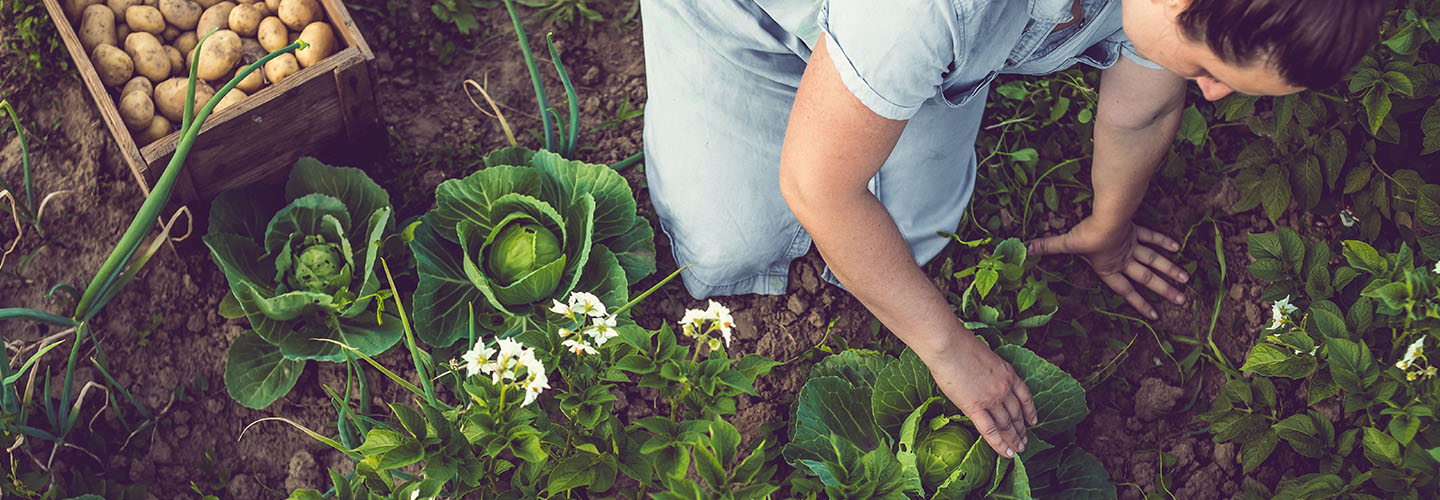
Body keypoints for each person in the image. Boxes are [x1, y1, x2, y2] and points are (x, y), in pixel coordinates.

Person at [640, 0, 1382, 459]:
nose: (1211, 93)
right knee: (730, 249)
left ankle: (883, 96)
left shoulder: (1169, 14)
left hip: (932, 64)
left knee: (912, 239)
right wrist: (948, 348)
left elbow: (1146, 104)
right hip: (754, 23)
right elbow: (819, 189)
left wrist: (1109, 228)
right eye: (1210, 70)